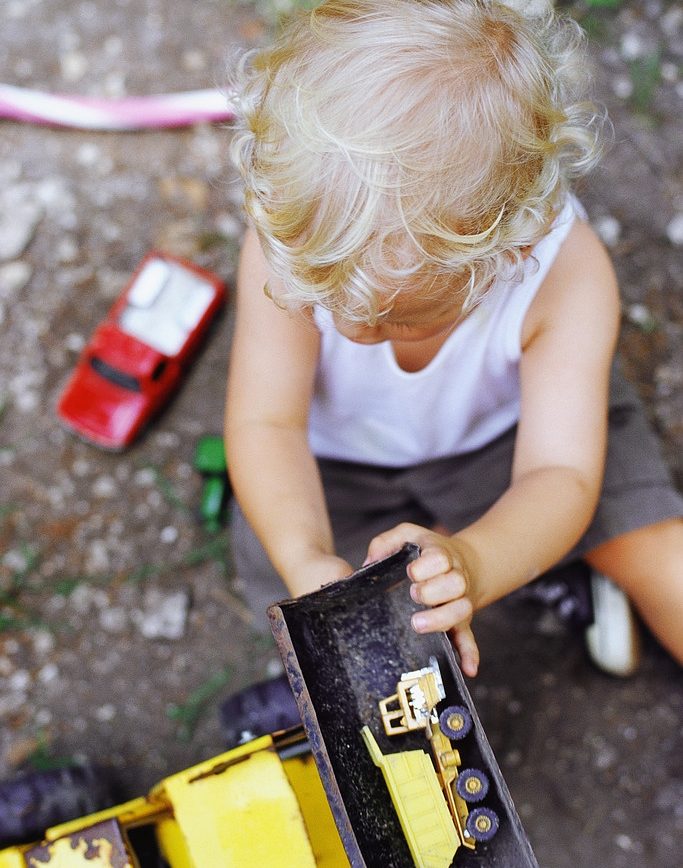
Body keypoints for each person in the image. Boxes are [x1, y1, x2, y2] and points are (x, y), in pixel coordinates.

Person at [225, 0, 683, 677]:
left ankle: (537, 560)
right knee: (316, 612)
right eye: (320, 302)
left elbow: (558, 472)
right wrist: (305, 557)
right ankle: (546, 570)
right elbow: (267, 423)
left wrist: (475, 563)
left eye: (394, 318)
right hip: (336, 462)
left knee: (641, 536)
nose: (348, 328)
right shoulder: (293, 243)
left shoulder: (564, 275)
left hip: (507, 439)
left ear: (508, 252)